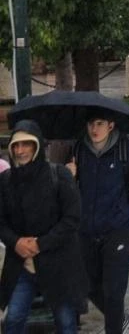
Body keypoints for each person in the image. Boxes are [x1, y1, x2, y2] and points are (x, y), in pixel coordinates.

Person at [70, 110, 129, 334]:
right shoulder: (79, 150)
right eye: (91, 124)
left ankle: (115, 325)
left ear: (110, 126)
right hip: (86, 231)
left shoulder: (124, 150)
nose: (94, 129)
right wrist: (68, 175)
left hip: (115, 230)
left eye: (99, 123)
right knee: (86, 285)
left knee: (113, 291)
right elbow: (67, 193)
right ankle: (118, 316)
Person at [0, 120, 88, 334]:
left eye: (26, 145)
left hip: (57, 264)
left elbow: (72, 218)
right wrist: (16, 242)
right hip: (21, 264)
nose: (20, 151)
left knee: (66, 322)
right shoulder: (5, 180)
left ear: (36, 146)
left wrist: (41, 243)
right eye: (16, 146)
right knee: (13, 319)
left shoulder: (59, 175)